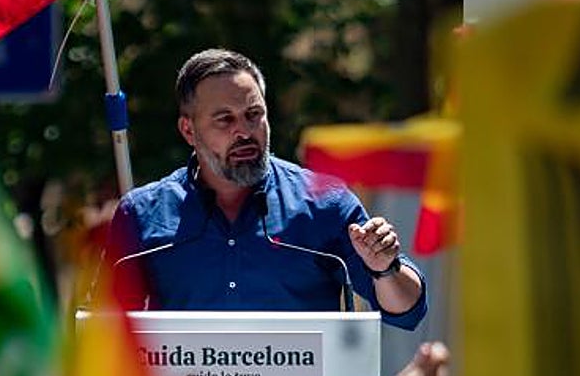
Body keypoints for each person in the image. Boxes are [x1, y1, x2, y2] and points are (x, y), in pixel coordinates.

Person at [106, 48, 427, 328]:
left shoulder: (324, 201)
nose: (244, 132)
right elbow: (105, 332)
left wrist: (385, 269)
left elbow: (407, 312)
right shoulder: (142, 214)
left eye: (253, 114)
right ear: (189, 130)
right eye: (225, 120)